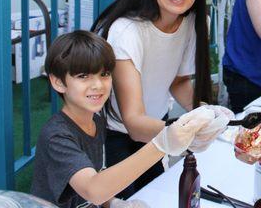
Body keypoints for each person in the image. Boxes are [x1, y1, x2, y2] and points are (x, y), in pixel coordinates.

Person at [31, 31, 229, 208]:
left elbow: (97, 183)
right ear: (58, 82)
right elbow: (92, 189)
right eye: (83, 76)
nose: (98, 85)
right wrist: (162, 144)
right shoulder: (56, 136)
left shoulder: (97, 121)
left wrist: (113, 202)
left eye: (104, 74)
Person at [92, 0, 224, 198]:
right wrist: (185, 131)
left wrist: (207, 116)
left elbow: (177, 81)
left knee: (158, 195)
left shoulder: (196, 22)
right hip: (119, 135)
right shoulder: (126, 31)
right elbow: (133, 122)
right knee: (130, 201)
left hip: (159, 126)